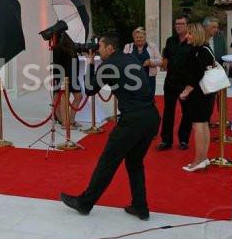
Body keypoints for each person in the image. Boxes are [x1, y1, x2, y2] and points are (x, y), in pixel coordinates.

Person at [59, 33, 160, 221]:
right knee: (134, 163)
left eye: (101, 47)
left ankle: (84, 203)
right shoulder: (130, 57)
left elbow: (89, 88)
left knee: (107, 162)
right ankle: (141, 207)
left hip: (133, 120)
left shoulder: (108, 66)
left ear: (110, 48)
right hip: (151, 117)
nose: (98, 50)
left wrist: (90, 65)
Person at [179, 23, 217, 172]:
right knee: (203, 125)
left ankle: (198, 160)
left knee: (198, 126)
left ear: (196, 34)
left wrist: (187, 90)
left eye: (189, 33)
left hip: (200, 94)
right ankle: (203, 158)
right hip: (206, 93)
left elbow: (197, 74)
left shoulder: (200, 51)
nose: (187, 36)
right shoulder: (204, 49)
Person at [158, 15, 192, 150]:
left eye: (181, 24)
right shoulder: (170, 41)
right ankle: (166, 140)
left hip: (185, 83)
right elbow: (165, 58)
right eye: (176, 24)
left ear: (187, 26)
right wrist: (165, 67)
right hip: (171, 82)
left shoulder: (192, 41)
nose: (178, 26)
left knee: (187, 112)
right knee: (168, 112)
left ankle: (184, 139)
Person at [52, 32, 83, 129]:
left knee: (78, 97)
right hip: (64, 77)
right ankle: (64, 122)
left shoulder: (72, 47)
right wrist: (57, 79)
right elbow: (57, 65)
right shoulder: (58, 48)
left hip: (73, 76)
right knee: (64, 98)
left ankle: (70, 120)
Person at [203, 17, 227, 129]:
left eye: (217, 27)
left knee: (218, 97)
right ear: (205, 27)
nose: (216, 30)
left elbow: (224, 52)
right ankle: (205, 119)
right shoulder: (200, 38)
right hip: (204, 73)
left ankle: (221, 119)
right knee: (206, 98)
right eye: (213, 27)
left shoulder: (220, 37)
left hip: (217, 72)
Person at [123, 27, 162, 93]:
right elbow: (123, 61)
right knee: (134, 99)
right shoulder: (128, 47)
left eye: (141, 37)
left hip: (148, 78)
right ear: (133, 38)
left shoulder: (152, 46)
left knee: (148, 98)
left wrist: (150, 62)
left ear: (145, 37)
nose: (139, 39)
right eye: (137, 37)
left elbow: (161, 61)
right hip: (132, 78)